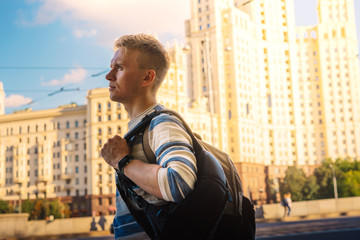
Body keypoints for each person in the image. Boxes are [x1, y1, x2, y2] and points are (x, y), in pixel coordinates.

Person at [101, 34, 197, 239]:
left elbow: (179, 182)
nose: (109, 75)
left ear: (147, 77)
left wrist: (122, 161)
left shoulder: (161, 123)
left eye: (119, 67)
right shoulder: (141, 129)